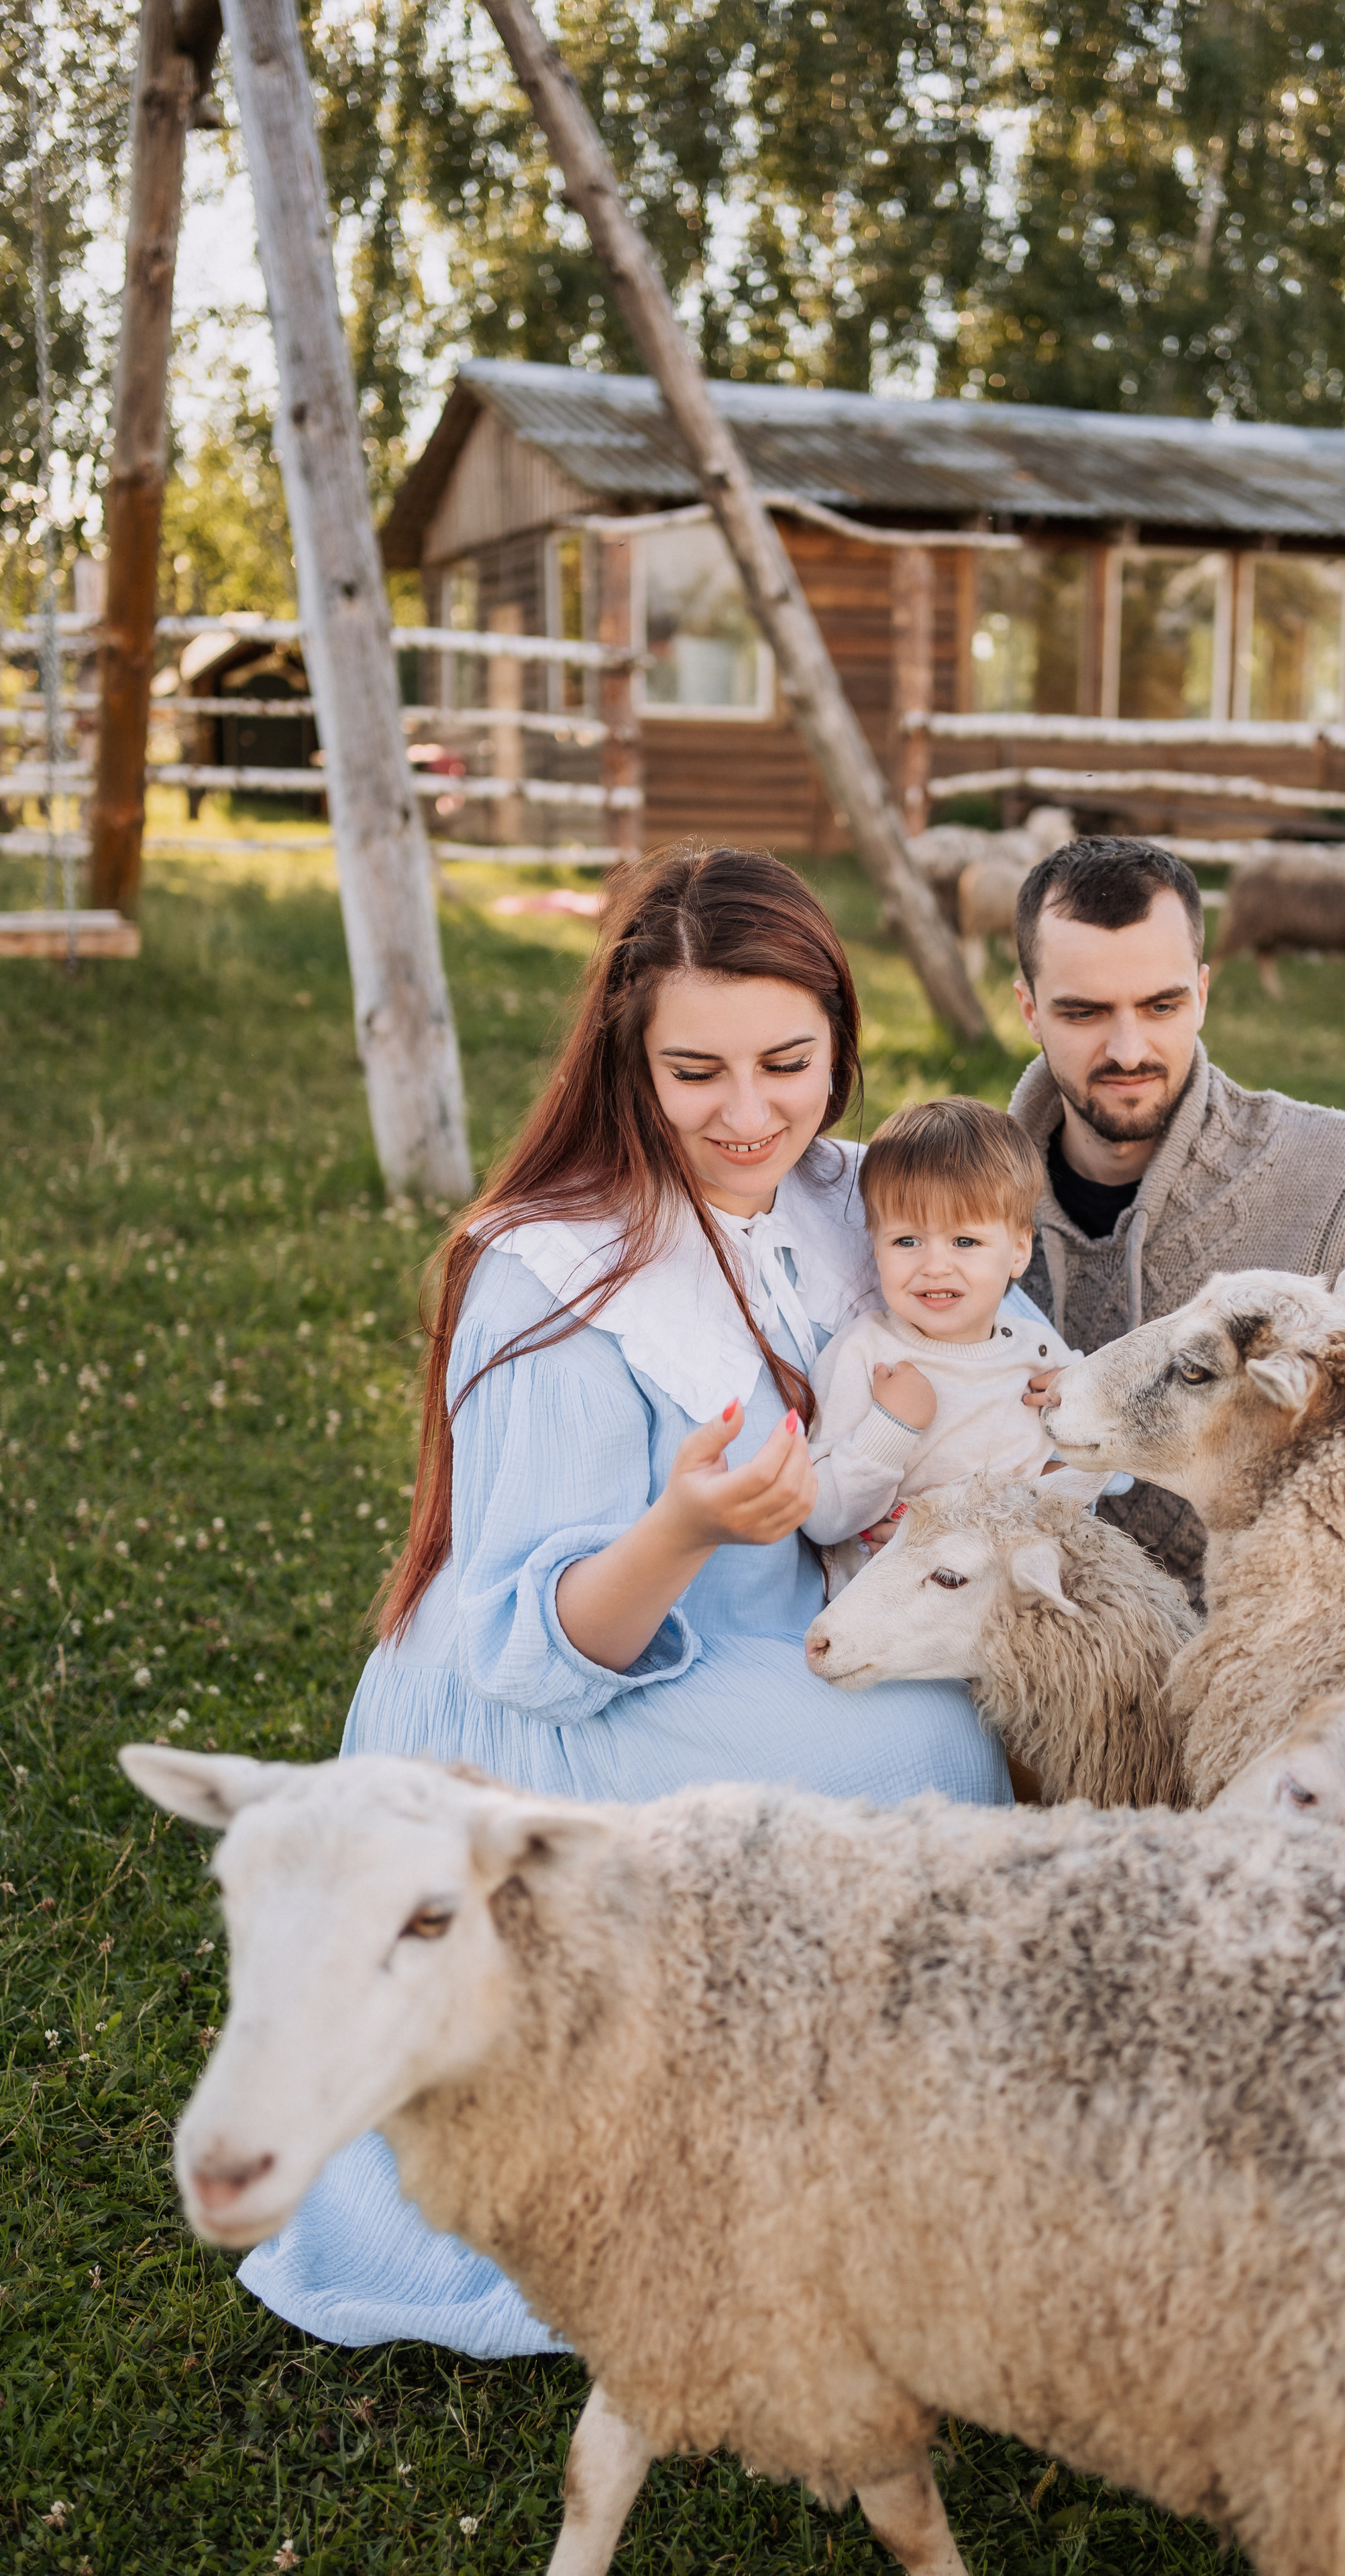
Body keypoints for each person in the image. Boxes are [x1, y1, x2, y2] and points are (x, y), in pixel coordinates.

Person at [238, 848, 1011, 2358]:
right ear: (625, 1061)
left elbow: (1009, 1354)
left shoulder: (849, 1199)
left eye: (788, 1064)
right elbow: (530, 1651)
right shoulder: (556, 1273)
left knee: (982, 1702)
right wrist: (681, 1524)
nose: (747, 1114)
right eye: (694, 1072)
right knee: (919, 1757)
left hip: (753, 1626)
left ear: (843, 1050)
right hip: (558, 1704)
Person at [1008, 837, 1345, 1596]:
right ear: (1028, 1008)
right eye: (1082, 1012)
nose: (1127, 1047)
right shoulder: (956, 1202)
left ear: (1203, 993)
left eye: (1161, 1005)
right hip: (1013, 1651)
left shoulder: (1344, 1178)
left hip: (1258, 1667)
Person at [802, 1098, 1077, 1576]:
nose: (934, 1265)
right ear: (877, 1246)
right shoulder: (866, 1354)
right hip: (892, 1618)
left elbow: (1102, 1485)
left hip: (1012, 1601)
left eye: (964, 1242)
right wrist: (893, 1426)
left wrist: (1084, 1411)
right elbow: (822, 1519)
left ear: (1018, 1249)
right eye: (907, 1241)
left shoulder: (1039, 1357)